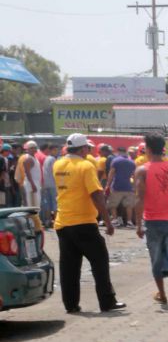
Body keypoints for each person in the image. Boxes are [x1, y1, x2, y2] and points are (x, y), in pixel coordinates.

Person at [52, 132, 126, 314]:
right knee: (100, 261)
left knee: (69, 267)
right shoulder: (85, 165)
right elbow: (96, 194)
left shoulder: (58, 164)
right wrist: (108, 221)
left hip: (63, 222)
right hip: (83, 222)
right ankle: (107, 301)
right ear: (84, 148)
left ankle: (71, 304)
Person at [135, 133, 168, 306]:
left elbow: (140, 199)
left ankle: (162, 294)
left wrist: (138, 225)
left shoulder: (142, 170)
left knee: (156, 259)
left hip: (152, 222)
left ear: (148, 149)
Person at [106, 146, 136, 227]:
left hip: (117, 186)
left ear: (119, 152)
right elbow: (134, 175)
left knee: (112, 204)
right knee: (129, 205)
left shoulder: (115, 161)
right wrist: (134, 186)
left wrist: (108, 185)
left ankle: (115, 220)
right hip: (128, 187)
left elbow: (111, 174)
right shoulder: (132, 162)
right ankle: (129, 222)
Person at [16, 140, 42, 213]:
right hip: (31, 185)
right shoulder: (28, 159)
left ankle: (35, 222)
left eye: (35, 147)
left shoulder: (34, 157)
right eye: (31, 148)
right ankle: (32, 223)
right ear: (27, 149)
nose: (34, 149)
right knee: (32, 206)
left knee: (36, 205)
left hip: (35, 184)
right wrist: (32, 185)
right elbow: (27, 173)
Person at [40, 145, 58, 228]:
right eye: (55, 150)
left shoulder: (46, 158)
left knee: (47, 203)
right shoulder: (53, 159)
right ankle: (56, 220)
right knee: (55, 202)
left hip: (46, 183)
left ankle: (48, 220)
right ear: (51, 150)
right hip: (53, 183)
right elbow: (55, 172)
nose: (56, 151)